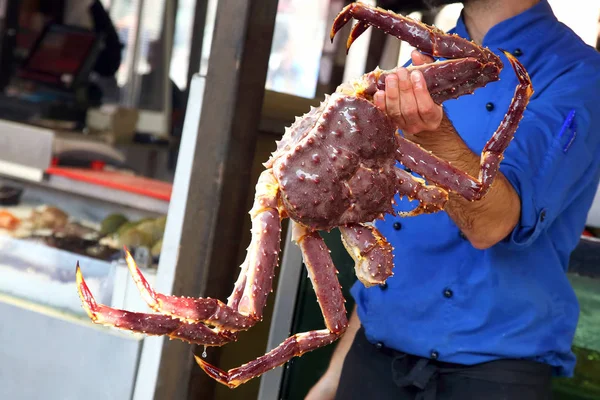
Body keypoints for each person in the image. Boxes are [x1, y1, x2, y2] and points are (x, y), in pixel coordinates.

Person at [306, 0, 600, 399]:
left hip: (487, 380)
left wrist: (432, 134)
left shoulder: (580, 76)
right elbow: (392, 245)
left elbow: (492, 224)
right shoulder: (420, 64)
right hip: (371, 364)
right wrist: (334, 378)